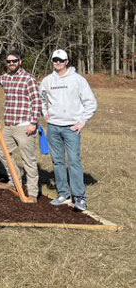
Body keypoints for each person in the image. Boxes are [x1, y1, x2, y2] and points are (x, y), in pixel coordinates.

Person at [0, 50, 42, 201]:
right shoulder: (7, 77)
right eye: (9, 61)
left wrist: (33, 123)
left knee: (29, 160)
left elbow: (37, 102)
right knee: (2, 153)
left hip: (24, 126)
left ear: (20, 62)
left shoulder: (28, 79)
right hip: (9, 126)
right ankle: (15, 181)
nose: (11, 64)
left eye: (14, 61)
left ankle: (32, 193)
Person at [40, 49, 97, 211]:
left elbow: (90, 102)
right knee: (57, 162)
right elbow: (41, 98)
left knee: (73, 162)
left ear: (66, 62)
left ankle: (79, 197)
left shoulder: (77, 80)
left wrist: (82, 121)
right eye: (54, 59)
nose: (57, 62)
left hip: (71, 128)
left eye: (60, 60)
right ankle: (63, 194)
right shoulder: (47, 81)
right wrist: (45, 113)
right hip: (53, 128)